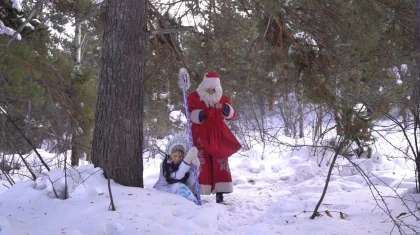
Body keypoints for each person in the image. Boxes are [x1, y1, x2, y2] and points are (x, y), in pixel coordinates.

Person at [187, 71, 242, 203]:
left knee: (219, 160)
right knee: (201, 161)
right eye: (208, 89)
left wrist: (227, 111)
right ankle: (198, 189)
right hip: (201, 134)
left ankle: (220, 192)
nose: (211, 92)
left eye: (213, 89)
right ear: (204, 87)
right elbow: (189, 113)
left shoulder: (223, 98)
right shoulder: (194, 97)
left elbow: (231, 115)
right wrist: (199, 115)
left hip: (218, 135)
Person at [153, 133, 201, 204]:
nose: (177, 159)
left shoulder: (184, 165)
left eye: (180, 156)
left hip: (177, 190)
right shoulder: (165, 164)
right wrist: (187, 160)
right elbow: (177, 176)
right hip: (162, 189)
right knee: (179, 187)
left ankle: (192, 203)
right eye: (175, 156)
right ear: (170, 154)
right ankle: (193, 203)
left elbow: (190, 181)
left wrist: (195, 169)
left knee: (184, 187)